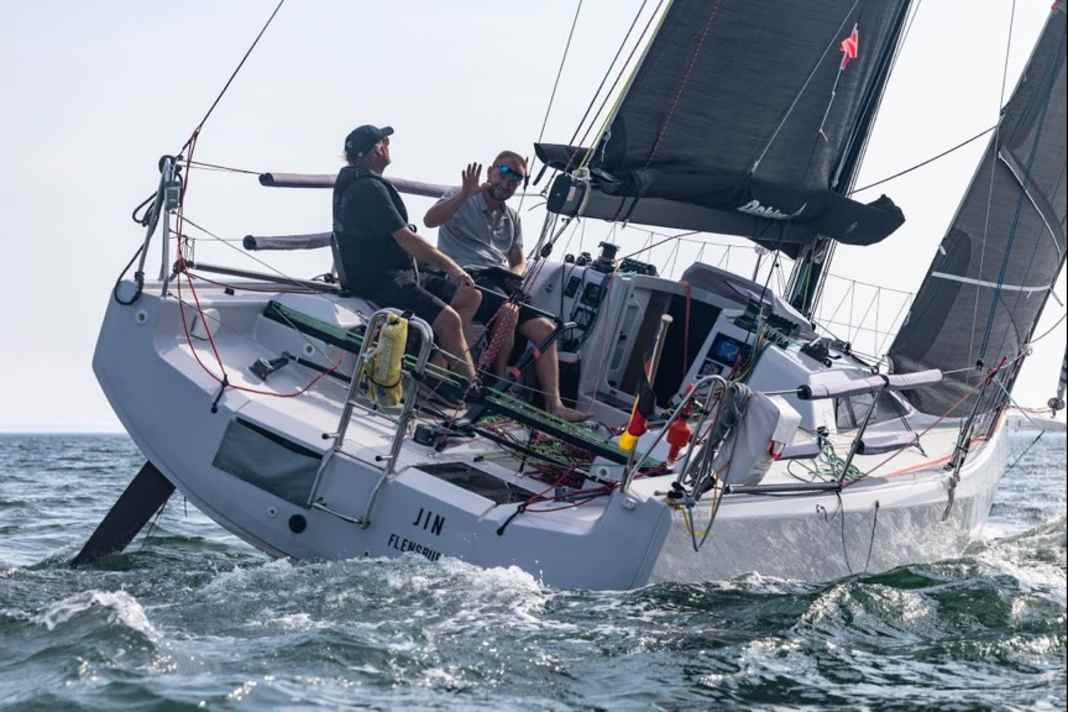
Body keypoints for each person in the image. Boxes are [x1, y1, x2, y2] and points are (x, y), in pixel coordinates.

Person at [424, 151, 590, 422]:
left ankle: (555, 406)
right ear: (490, 171)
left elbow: (518, 259)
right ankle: (496, 385)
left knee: (547, 330)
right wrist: (465, 194)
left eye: (517, 178)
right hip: (467, 274)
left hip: (501, 279)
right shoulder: (462, 197)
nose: (509, 181)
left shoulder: (512, 218)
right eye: (505, 171)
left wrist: (516, 274)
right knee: (507, 311)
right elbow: (430, 220)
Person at [332, 124, 480, 383]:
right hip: (378, 279)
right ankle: (470, 391)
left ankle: (432, 372)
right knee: (449, 320)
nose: (388, 147)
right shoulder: (368, 189)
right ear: (377, 149)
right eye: (385, 143)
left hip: (399, 271)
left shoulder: (364, 183)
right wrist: (453, 269)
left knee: (470, 295)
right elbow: (407, 240)